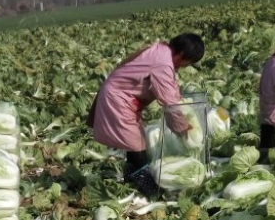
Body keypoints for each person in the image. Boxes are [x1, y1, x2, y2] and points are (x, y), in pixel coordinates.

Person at [88, 32, 206, 196]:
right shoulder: (163, 63)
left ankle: (130, 179)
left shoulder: (161, 52)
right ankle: (150, 190)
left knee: (136, 140)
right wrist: (182, 127)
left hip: (121, 98)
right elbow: (168, 100)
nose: (184, 67)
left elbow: (169, 89)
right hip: (118, 99)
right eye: (188, 62)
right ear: (182, 54)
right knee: (136, 144)